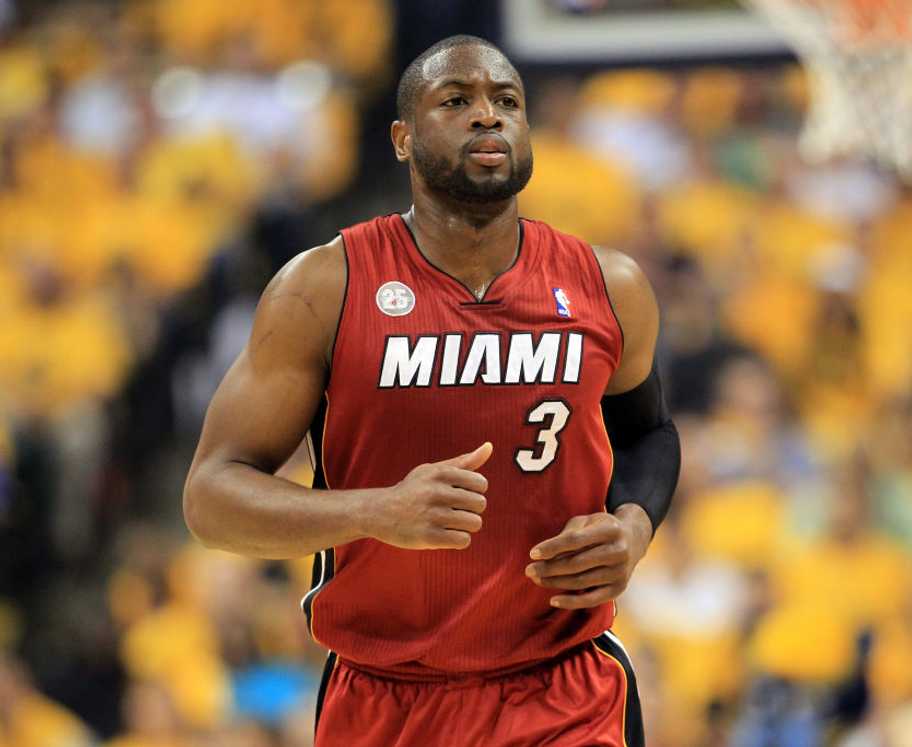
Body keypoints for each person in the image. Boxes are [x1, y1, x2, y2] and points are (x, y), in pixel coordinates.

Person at [182, 35, 680, 747]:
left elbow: (648, 434)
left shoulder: (610, 285)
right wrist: (375, 510)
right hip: (386, 696)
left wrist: (633, 526)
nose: (488, 117)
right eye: (457, 100)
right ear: (402, 139)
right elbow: (210, 498)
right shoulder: (324, 287)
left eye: (506, 101)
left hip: (562, 691)